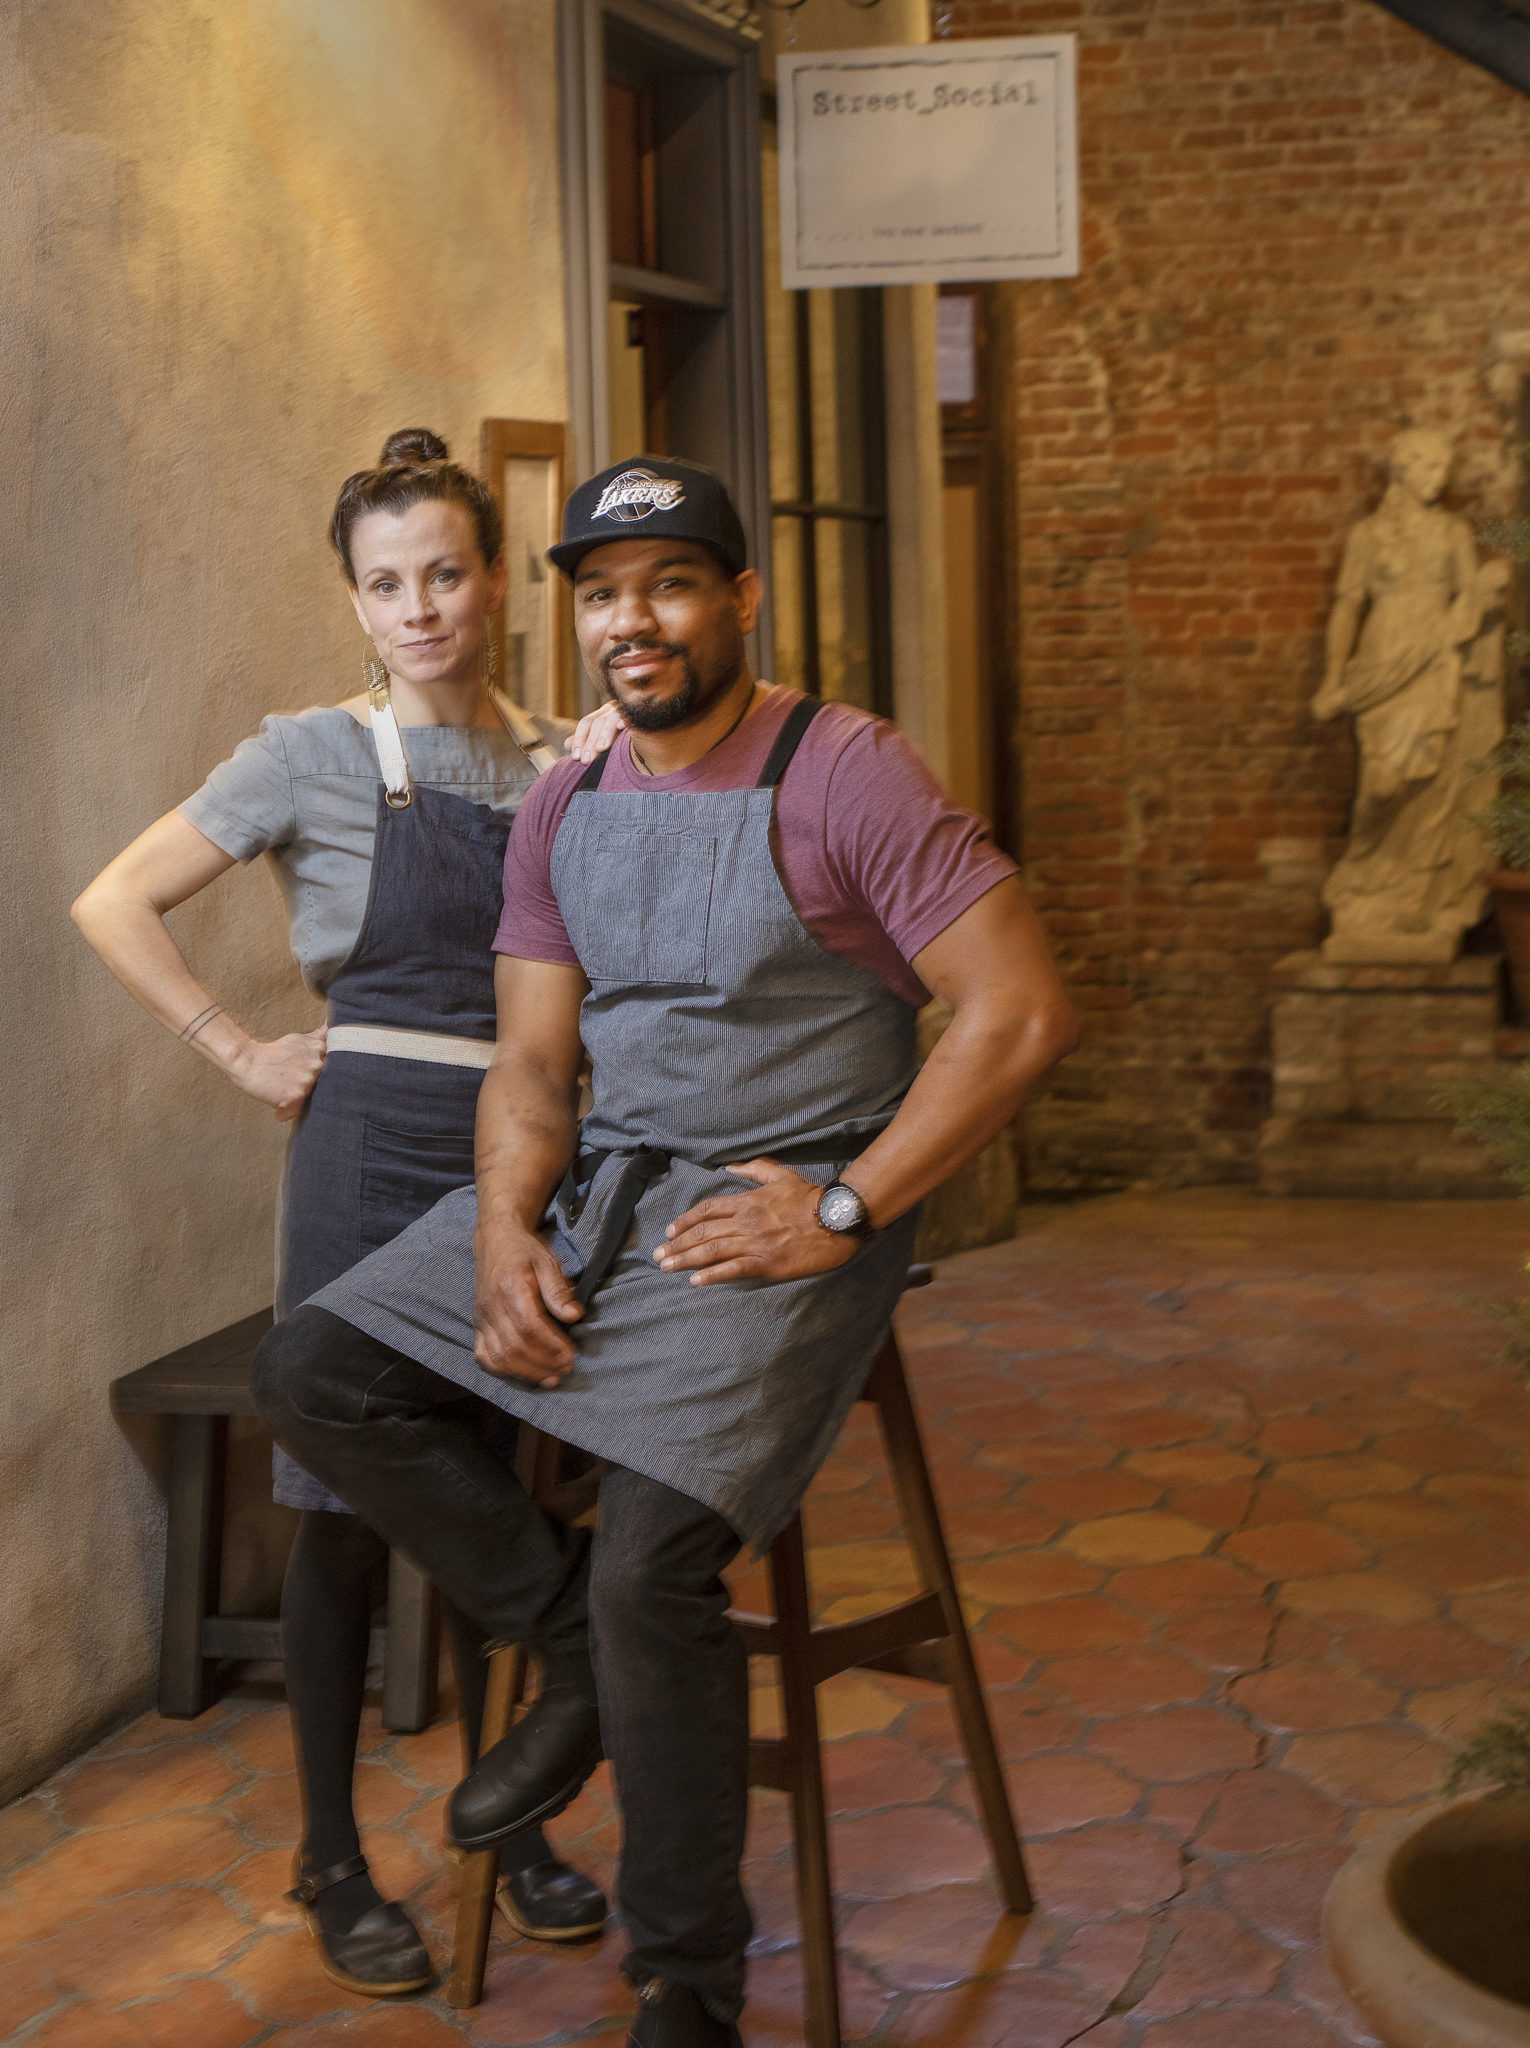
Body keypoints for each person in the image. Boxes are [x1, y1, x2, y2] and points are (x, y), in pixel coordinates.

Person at [251, 456, 1078, 2045]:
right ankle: (557, 1644)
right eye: (604, 594)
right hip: (599, 1191)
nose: (633, 622)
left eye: (671, 584)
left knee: (651, 1569)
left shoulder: (847, 772)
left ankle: (685, 1979)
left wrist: (840, 1212)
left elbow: (1019, 1011)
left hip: (778, 1219)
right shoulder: (567, 796)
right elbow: (535, 1064)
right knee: (315, 1369)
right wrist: (499, 1232)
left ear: (741, 600)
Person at [71, 429, 620, 1997]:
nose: (421, 607)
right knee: (337, 1510)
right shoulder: (310, 753)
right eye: (388, 585)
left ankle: (507, 1826)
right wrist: (236, 1050)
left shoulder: (551, 756)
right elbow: (113, 899)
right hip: (364, 1142)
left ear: (497, 577)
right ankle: (327, 1856)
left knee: (490, 1489)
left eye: (447, 572)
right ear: (357, 603)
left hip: (523, 1145)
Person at [1313, 427, 1507, 962]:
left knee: (1430, 785)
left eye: (1443, 469)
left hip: (1436, 662)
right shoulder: (1368, 536)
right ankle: (1361, 879)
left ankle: (1417, 895)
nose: (1437, 478)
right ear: (1401, 469)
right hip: (1382, 665)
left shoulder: (1452, 533)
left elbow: (1469, 601)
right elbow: (1348, 607)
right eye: (1427, 467)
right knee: (1382, 784)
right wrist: (1333, 678)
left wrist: (1489, 589)